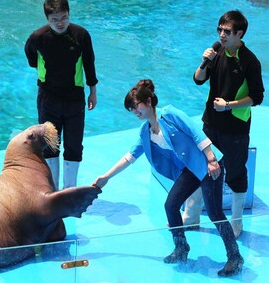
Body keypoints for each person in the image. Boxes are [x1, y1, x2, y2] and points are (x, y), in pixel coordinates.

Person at [92, 79, 244, 277]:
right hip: (190, 170)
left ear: (148, 101)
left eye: (135, 105)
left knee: (215, 213)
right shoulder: (145, 132)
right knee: (170, 205)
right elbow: (129, 157)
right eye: (130, 108)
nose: (133, 111)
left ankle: (235, 257)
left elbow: (195, 131)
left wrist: (211, 159)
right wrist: (106, 177)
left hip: (207, 164)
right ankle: (181, 248)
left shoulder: (169, 113)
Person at [191, 10, 264, 238]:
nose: (222, 34)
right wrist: (204, 62)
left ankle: (236, 221)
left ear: (239, 33)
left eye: (227, 31)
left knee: (235, 173)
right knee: (201, 167)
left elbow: (257, 97)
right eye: (220, 29)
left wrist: (229, 104)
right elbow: (198, 80)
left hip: (235, 128)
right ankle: (191, 216)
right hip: (210, 122)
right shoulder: (216, 52)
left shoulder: (250, 61)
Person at [25, 0, 98, 190]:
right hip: (48, 97)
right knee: (50, 144)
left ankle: (70, 190)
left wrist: (93, 91)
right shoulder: (38, 37)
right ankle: (53, 190)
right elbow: (31, 58)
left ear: (69, 14)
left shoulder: (81, 35)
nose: (60, 23)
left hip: (74, 97)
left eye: (64, 17)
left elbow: (89, 64)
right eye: (54, 20)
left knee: (74, 144)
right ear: (47, 19)